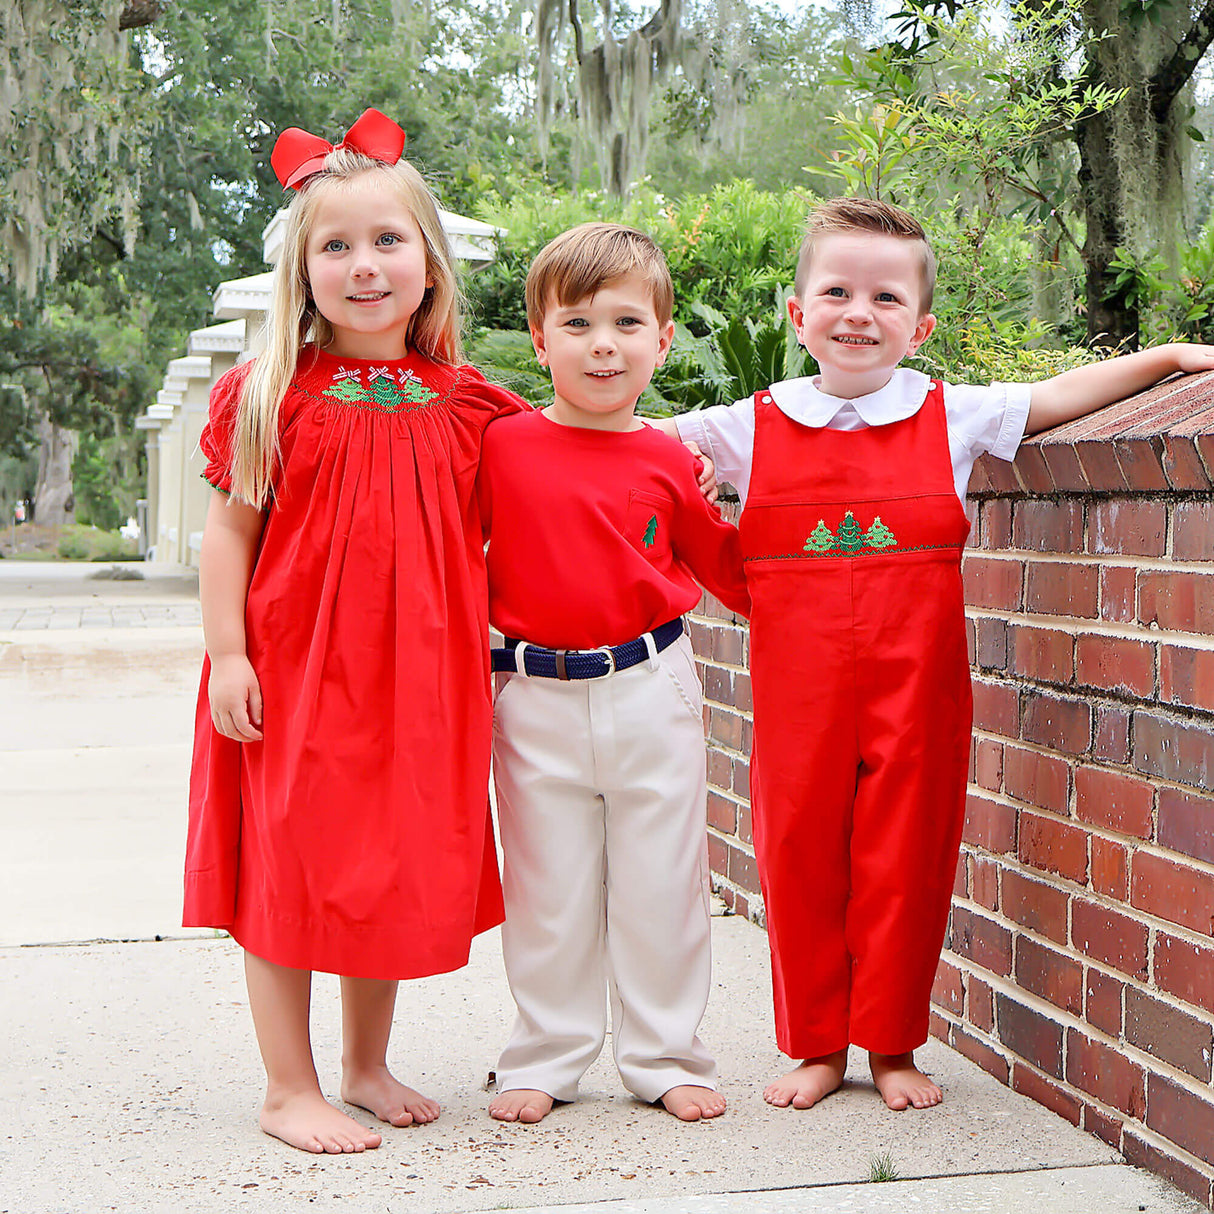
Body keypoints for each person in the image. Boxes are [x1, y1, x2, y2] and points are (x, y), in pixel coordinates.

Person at [660, 197, 1214, 1114]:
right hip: (798, 696)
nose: (857, 312)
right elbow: (612, 446)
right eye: (836, 290)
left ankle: (891, 1045)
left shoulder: (953, 416)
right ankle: (815, 1046)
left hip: (919, 691)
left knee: (906, 859)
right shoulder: (745, 427)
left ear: (918, 327)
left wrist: (1171, 359)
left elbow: (1060, 397)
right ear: (798, 315)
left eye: (884, 297)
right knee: (797, 855)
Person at [183, 109, 527, 1154]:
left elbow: (570, 479)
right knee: (290, 863)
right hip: (292, 669)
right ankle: (288, 1085)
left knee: (379, 857)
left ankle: (365, 1063)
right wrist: (229, 655)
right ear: (303, 271)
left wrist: (679, 470)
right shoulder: (270, 393)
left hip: (418, 675)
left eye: (386, 241)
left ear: (428, 263)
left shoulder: (469, 404)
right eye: (334, 246)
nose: (363, 264)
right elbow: (228, 536)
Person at [477, 223, 750, 1125]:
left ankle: (666, 1056)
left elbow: (734, 576)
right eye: (580, 322)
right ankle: (546, 1056)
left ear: (662, 340)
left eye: (629, 323)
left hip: (649, 685)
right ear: (539, 337)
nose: (605, 344)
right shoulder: (500, 448)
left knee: (662, 881)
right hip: (532, 694)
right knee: (547, 885)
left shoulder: (674, 461)